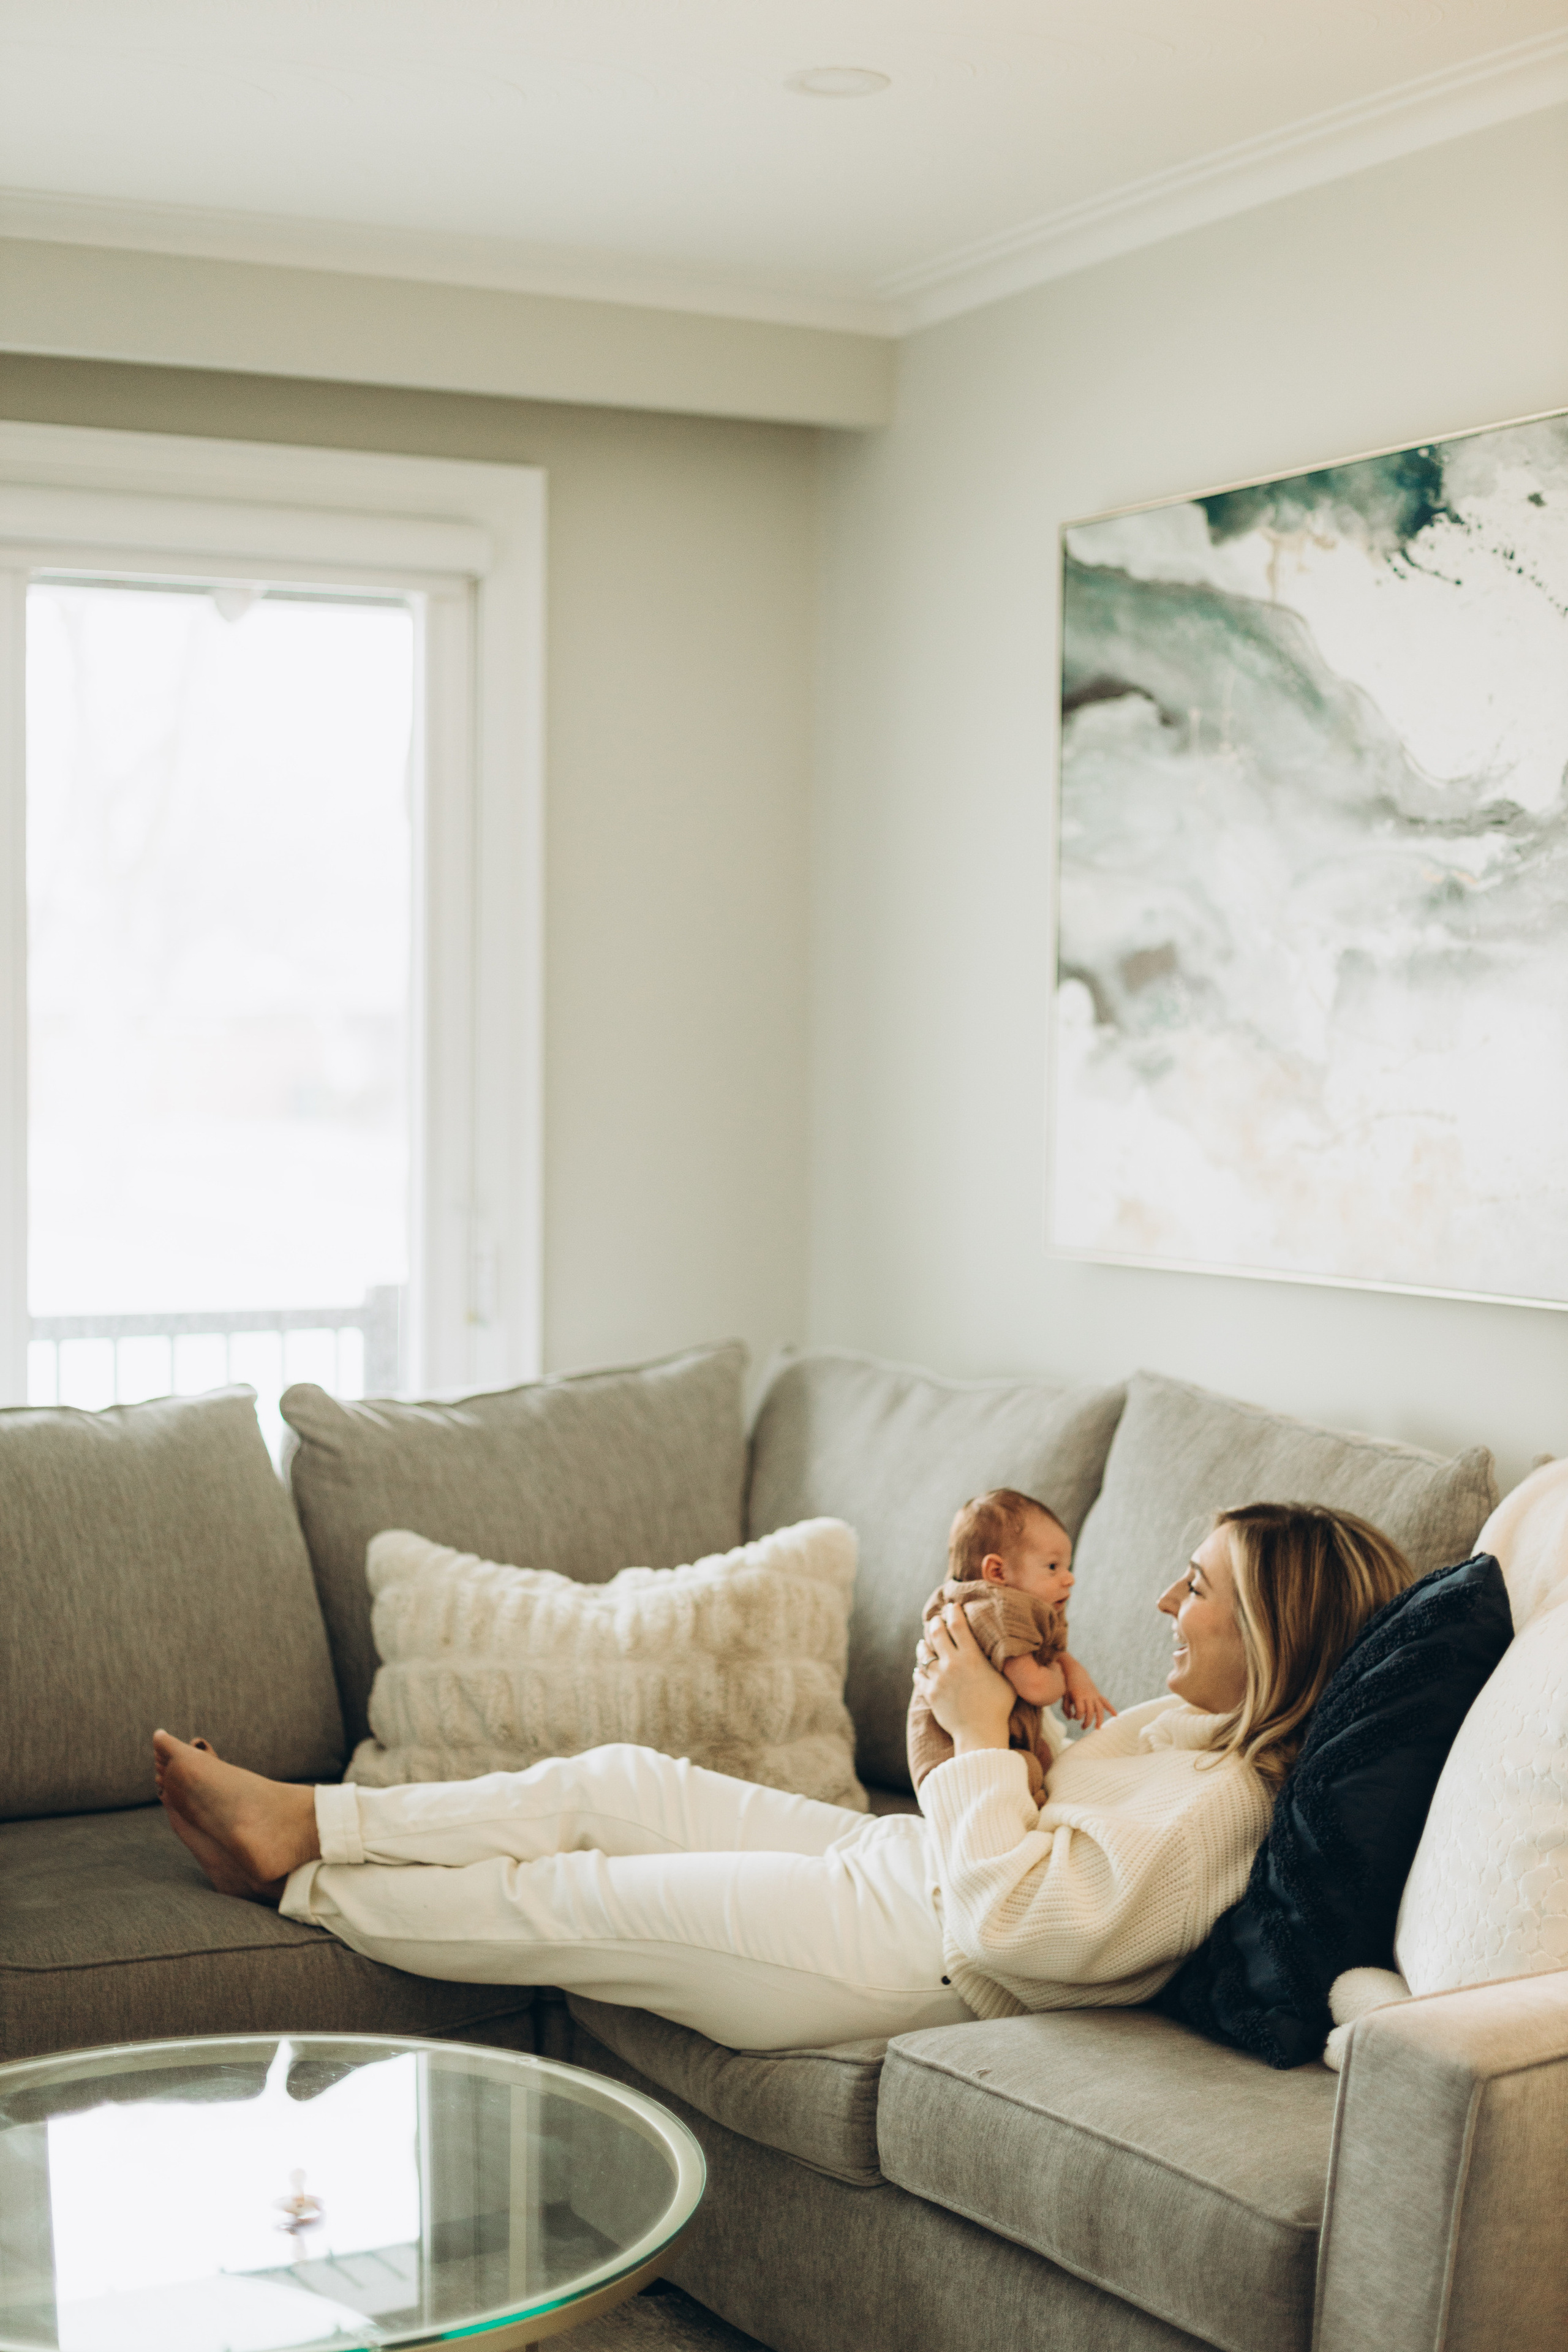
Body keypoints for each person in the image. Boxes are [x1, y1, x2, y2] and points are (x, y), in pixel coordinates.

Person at [153, 1500, 1411, 2052]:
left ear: (1272, 1638)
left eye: (1196, 1589)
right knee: (617, 1779)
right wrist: (953, 1710)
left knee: (574, 1895)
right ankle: (310, 1816)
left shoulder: (1224, 1810)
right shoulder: (1162, 1734)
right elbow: (1002, 1811)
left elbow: (1020, 1926)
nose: (1159, 1600)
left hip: (911, 1960)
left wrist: (980, 1743)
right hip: (896, 1870)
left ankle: (301, 1884)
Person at [905, 1488, 1114, 1801]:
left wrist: (1077, 1675)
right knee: (1034, 1766)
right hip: (950, 1761)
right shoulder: (997, 1609)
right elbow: (1036, 1687)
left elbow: (1052, 1654)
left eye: (1068, 1567)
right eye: (1053, 1567)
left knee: (1044, 1757)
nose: (1069, 1578)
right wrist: (1063, 1680)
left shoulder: (1019, 1610)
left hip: (990, 1740)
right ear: (997, 1572)